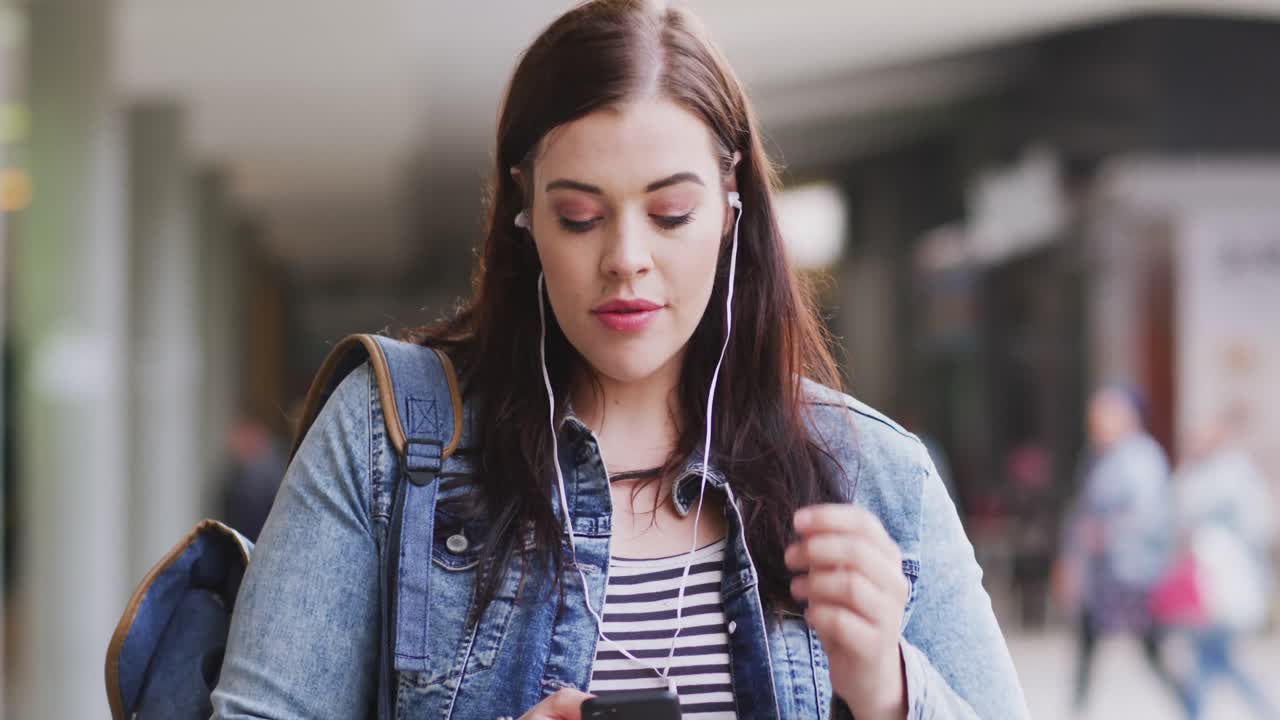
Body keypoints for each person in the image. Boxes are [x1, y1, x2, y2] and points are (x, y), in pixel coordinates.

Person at [210, 2, 1029, 718]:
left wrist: (888, 688)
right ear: (525, 213)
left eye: (670, 213)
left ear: (731, 209)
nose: (626, 259)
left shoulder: (874, 475)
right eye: (579, 217)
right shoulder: (389, 442)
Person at [1058, 385, 1181, 714]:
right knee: (1089, 641)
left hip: (1133, 572)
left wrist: (1107, 533)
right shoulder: (1098, 457)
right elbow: (1083, 512)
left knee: (1150, 645)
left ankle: (1190, 701)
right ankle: (1077, 709)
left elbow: (1150, 514)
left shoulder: (1142, 457)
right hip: (1102, 576)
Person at [1175, 410, 1278, 719]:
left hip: (1226, 578)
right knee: (1211, 656)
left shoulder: (1234, 475)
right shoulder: (1195, 472)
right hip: (1203, 578)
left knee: (1211, 656)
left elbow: (1256, 525)